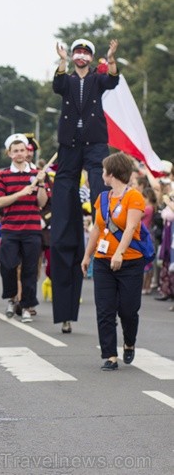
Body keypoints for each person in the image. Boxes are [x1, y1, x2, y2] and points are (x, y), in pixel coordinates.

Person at [50, 38, 119, 333]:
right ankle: (64, 311)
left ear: (91, 58)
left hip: (94, 145)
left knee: (99, 185)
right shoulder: (66, 80)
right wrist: (62, 59)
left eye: (84, 53)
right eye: (76, 52)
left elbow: (113, 81)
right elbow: (57, 84)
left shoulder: (97, 79)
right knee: (65, 208)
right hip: (69, 146)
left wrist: (112, 58)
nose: (80, 56)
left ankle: (106, 215)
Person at [81, 152, 145, 370]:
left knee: (128, 309)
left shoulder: (134, 197)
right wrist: (87, 255)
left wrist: (119, 253)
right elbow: (97, 228)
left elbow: (130, 227)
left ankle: (129, 342)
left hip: (130, 262)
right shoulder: (102, 198)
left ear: (112, 172)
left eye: (103, 170)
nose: (101, 173)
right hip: (103, 261)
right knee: (105, 309)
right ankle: (109, 355)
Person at [0, 134, 48, 324]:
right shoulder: (2, 176)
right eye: (15, 151)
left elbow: (42, 202)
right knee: (7, 265)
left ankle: (26, 306)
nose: (19, 154)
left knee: (30, 270)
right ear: (9, 153)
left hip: (32, 228)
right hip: (11, 228)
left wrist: (40, 184)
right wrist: (21, 193)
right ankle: (11, 297)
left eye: (22, 150)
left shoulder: (37, 174)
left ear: (27, 151)